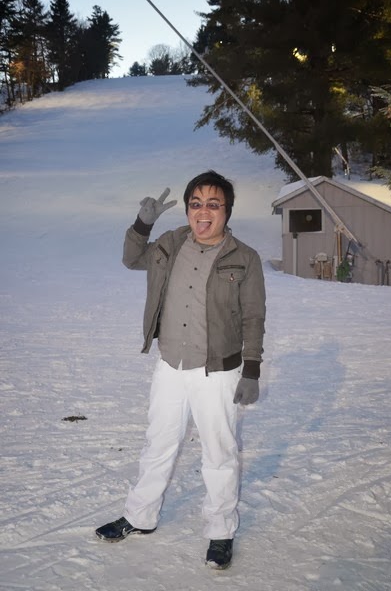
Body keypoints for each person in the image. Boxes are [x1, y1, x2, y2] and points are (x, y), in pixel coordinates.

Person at [95, 170, 266, 569]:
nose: (203, 212)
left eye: (213, 204)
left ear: (227, 211)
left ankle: (220, 530)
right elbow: (131, 259)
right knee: (158, 444)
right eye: (196, 204)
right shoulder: (171, 243)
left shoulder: (244, 258)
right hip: (170, 366)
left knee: (219, 453)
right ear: (188, 209)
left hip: (217, 373)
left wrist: (252, 370)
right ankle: (140, 516)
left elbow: (254, 316)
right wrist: (143, 224)